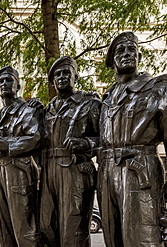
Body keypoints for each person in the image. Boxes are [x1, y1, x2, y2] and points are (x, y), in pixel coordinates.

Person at [98, 31, 167, 246]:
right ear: (112, 61)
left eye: (131, 50)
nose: (127, 54)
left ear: (139, 57)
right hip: (106, 172)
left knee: (142, 238)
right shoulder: (106, 99)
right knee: (112, 237)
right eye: (120, 51)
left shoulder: (159, 89)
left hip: (140, 170)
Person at [39, 56, 101, 247]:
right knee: (45, 225)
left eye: (67, 73)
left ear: (76, 77)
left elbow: (107, 140)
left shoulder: (89, 104)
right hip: (50, 170)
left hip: (75, 170)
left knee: (73, 229)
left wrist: (84, 143)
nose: (62, 77)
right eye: (57, 74)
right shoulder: (47, 109)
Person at [0, 66, 45, 247]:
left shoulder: (27, 110)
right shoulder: (0, 114)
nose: (4, 84)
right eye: (1, 81)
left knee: (23, 227)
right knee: (1, 225)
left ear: (18, 86)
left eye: (9, 80)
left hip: (18, 172)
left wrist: (8, 145)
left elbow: (36, 138)